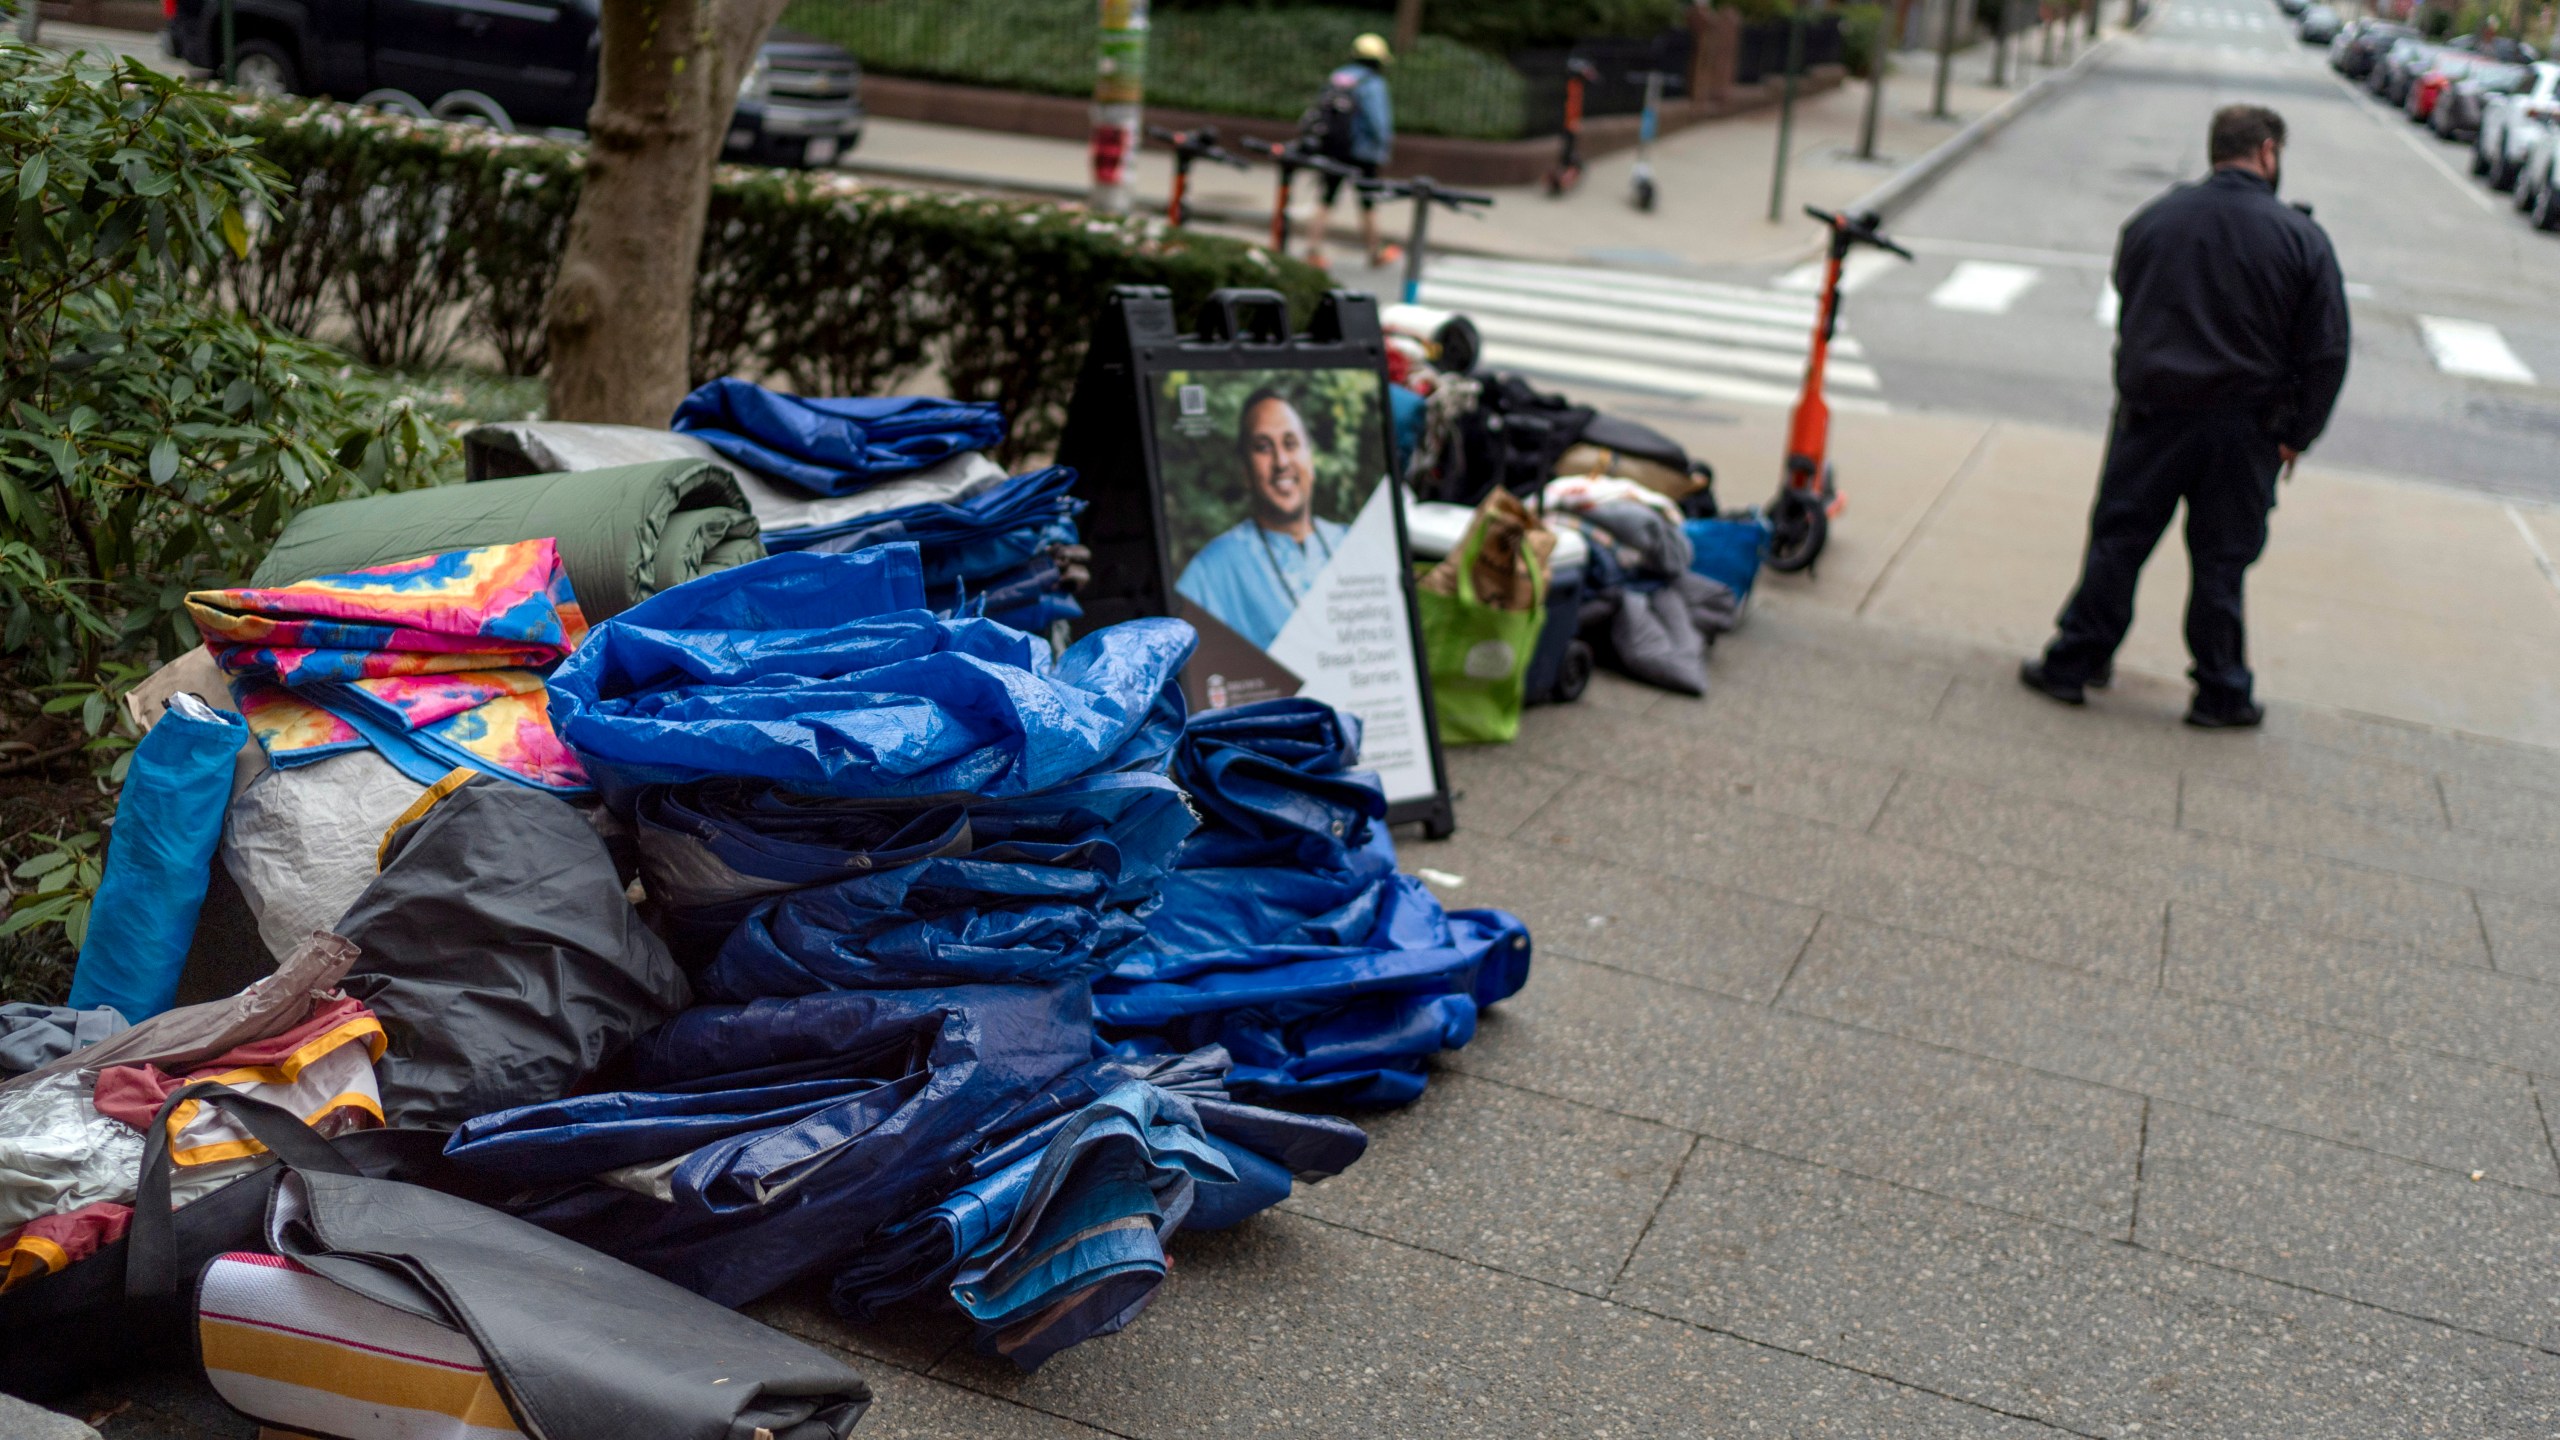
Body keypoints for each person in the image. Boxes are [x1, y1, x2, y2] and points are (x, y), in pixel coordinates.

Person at [2021, 104, 2350, 729]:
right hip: (2244, 429)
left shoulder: (2156, 220)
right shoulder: (2301, 239)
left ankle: (2075, 663)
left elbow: (2129, 300)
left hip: (2154, 415)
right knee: (2221, 563)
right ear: (2267, 153)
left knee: (2118, 544)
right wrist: (2295, 435)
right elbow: (2326, 351)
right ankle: (2221, 691)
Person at [1175, 388, 1351, 650]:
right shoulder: (1212, 570)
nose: (1281, 462)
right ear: (1245, 471)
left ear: (1311, 459)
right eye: (1263, 447)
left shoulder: (1354, 543)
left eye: (1290, 443)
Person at [1308, 33, 1396, 269]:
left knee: (1326, 198)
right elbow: (1379, 122)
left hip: (1335, 148)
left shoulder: (1338, 76)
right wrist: (1383, 147)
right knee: (1368, 201)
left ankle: (1313, 250)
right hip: (1363, 152)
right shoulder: (1373, 84)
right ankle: (1374, 250)